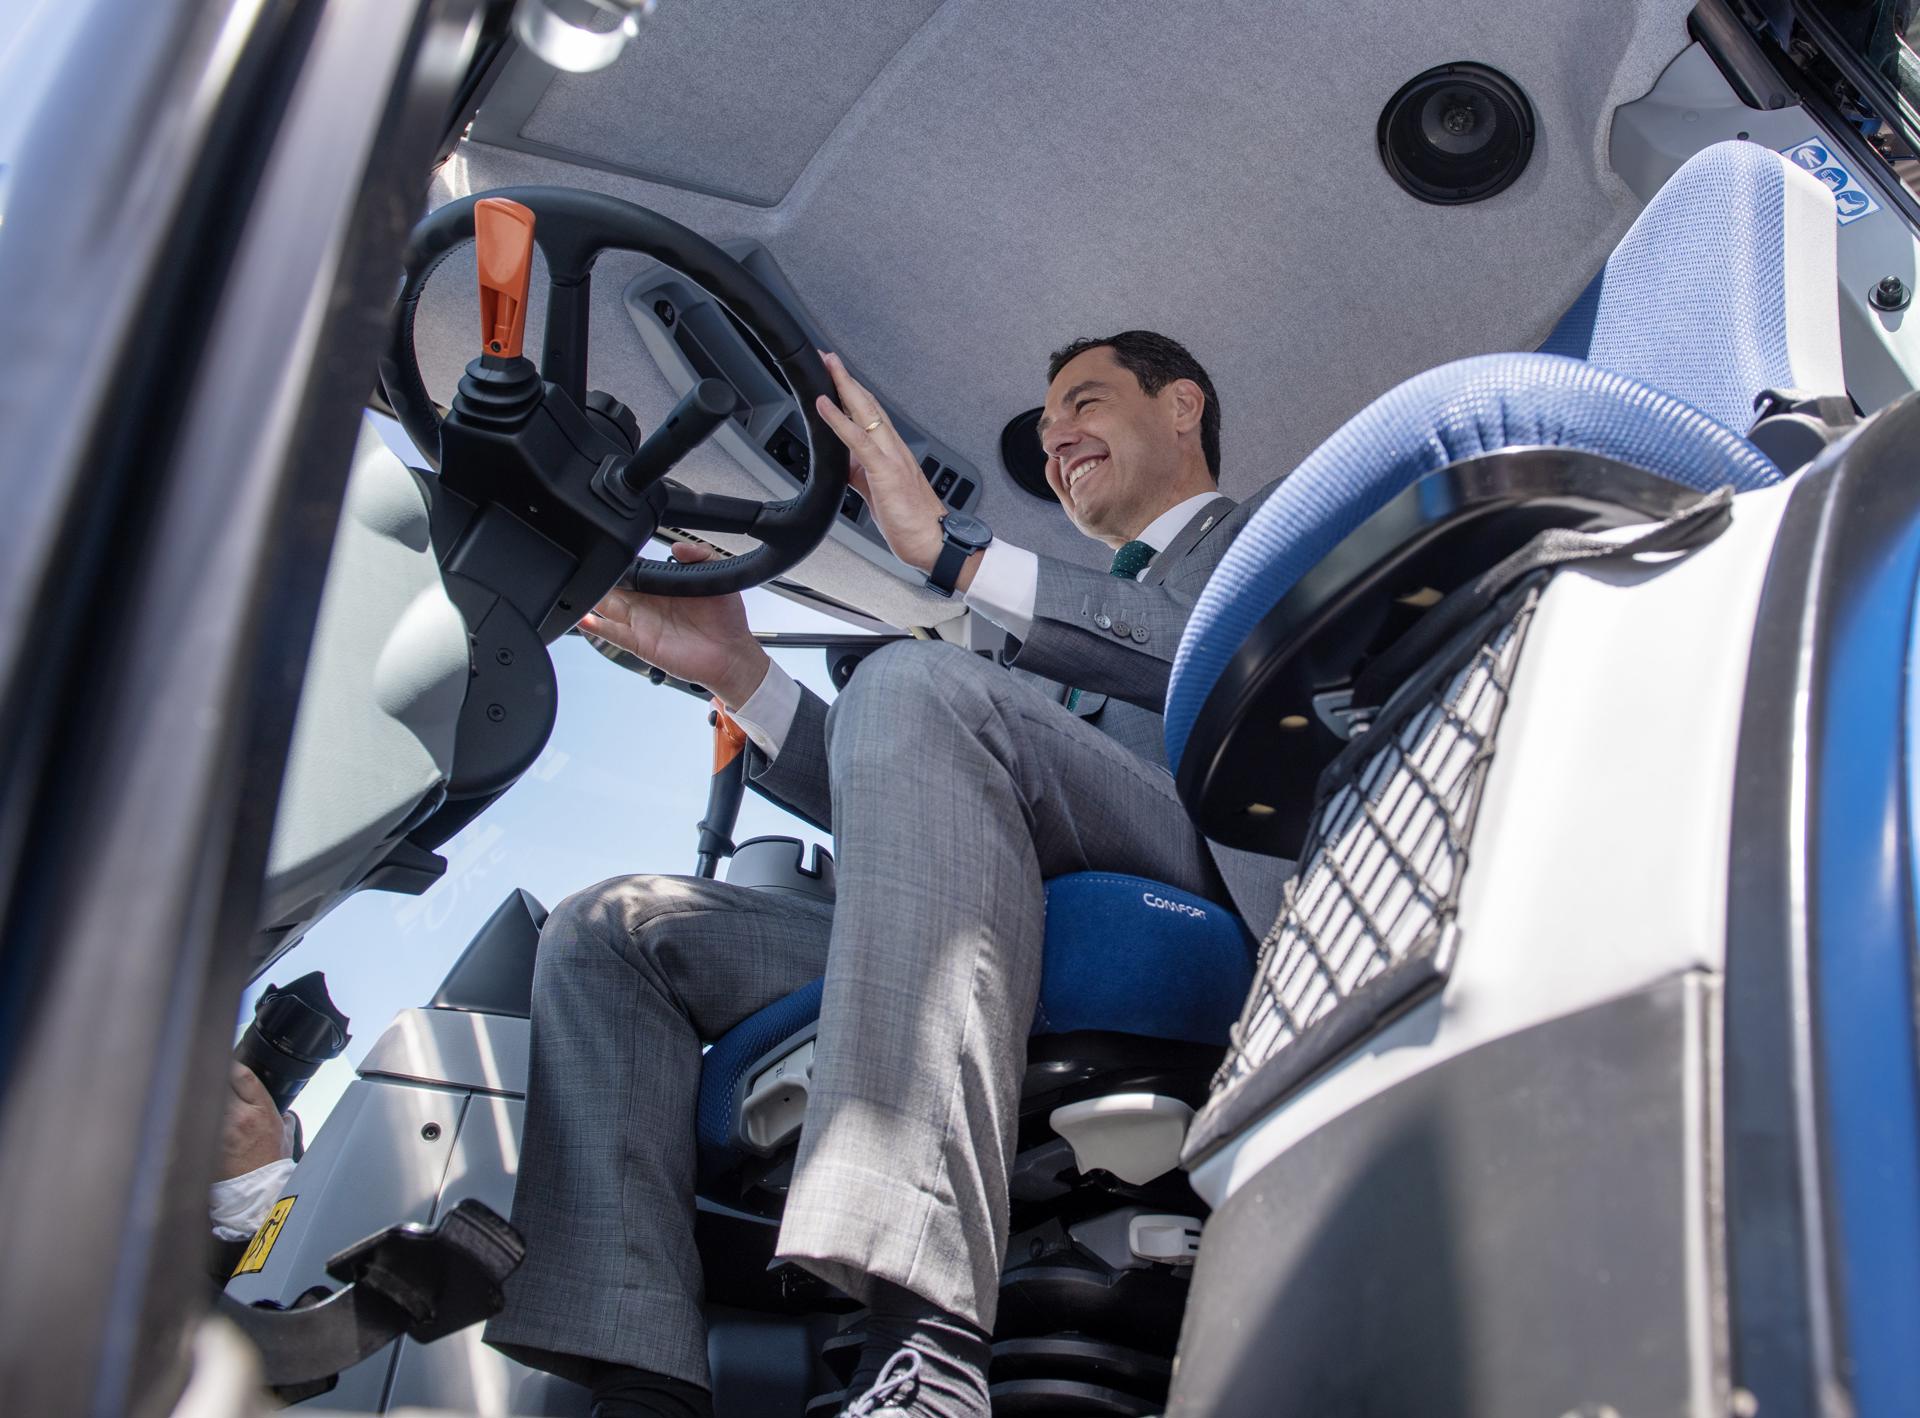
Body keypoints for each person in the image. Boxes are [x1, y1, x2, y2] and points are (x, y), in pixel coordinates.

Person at [485, 331, 1284, 1418]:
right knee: (609, 931)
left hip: (1194, 863)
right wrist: (740, 674)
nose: (1057, 441)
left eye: (1084, 404)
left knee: (912, 678)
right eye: (1047, 431)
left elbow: (1209, 651)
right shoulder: (1025, 635)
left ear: (1184, 404)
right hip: (1000, 897)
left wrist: (956, 557)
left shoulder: (1266, 532)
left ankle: (928, 1351)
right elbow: (909, 798)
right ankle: (641, 1385)